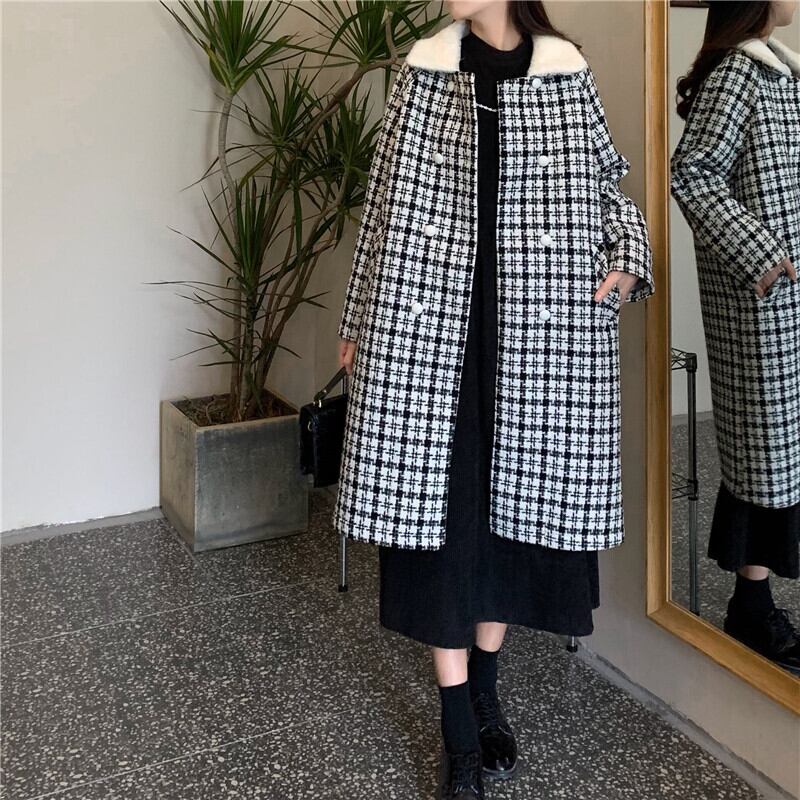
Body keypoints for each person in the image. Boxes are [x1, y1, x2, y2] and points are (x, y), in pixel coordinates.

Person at [334, 3, 655, 797]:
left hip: (535, 343)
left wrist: (629, 256)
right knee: (439, 538)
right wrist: (355, 322)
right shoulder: (424, 72)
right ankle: (459, 737)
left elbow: (606, 187)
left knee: (507, 535)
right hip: (429, 339)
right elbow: (382, 206)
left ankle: (486, 689)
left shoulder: (565, 73)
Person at [670, 0, 800, 676]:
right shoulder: (739, 73)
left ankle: (755, 602)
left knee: (776, 455)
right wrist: (762, 255)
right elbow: (691, 172)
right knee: (765, 456)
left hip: (785, 298)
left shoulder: (780, 72)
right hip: (764, 303)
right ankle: (752, 605)